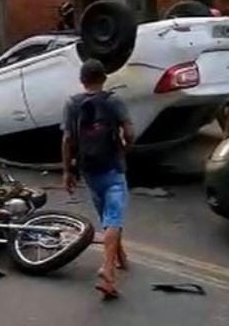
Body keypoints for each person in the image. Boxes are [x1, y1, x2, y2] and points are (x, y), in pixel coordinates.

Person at [62, 59, 134, 300]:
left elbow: (67, 140)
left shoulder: (72, 104)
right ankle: (108, 271)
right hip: (113, 167)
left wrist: (67, 171)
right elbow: (129, 132)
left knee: (108, 215)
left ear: (82, 80)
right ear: (104, 78)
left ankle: (120, 256)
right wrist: (125, 148)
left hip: (88, 170)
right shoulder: (114, 101)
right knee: (113, 217)